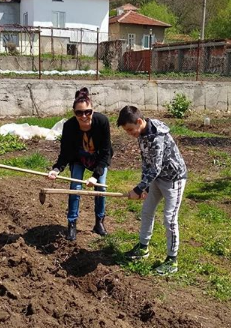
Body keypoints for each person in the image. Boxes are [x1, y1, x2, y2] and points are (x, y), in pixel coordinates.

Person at [116, 105, 187, 275]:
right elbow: (146, 162)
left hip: (173, 180)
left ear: (139, 121)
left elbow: (155, 167)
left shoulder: (157, 137)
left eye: (130, 129)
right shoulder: (142, 134)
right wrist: (144, 187)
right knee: (147, 211)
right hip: (157, 179)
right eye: (127, 131)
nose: (129, 133)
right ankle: (143, 248)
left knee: (169, 219)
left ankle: (172, 260)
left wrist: (137, 188)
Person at [48, 88, 113, 241]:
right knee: (75, 188)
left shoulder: (102, 122)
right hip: (78, 159)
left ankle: (99, 222)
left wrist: (96, 176)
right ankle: (72, 224)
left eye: (87, 112)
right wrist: (57, 169)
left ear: (93, 110)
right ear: (74, 113)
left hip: (98, 160)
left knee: (101, 188)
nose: (84, 116)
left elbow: (106, 152)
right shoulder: (69, 126)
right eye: (79, 113)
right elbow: (65, 152)